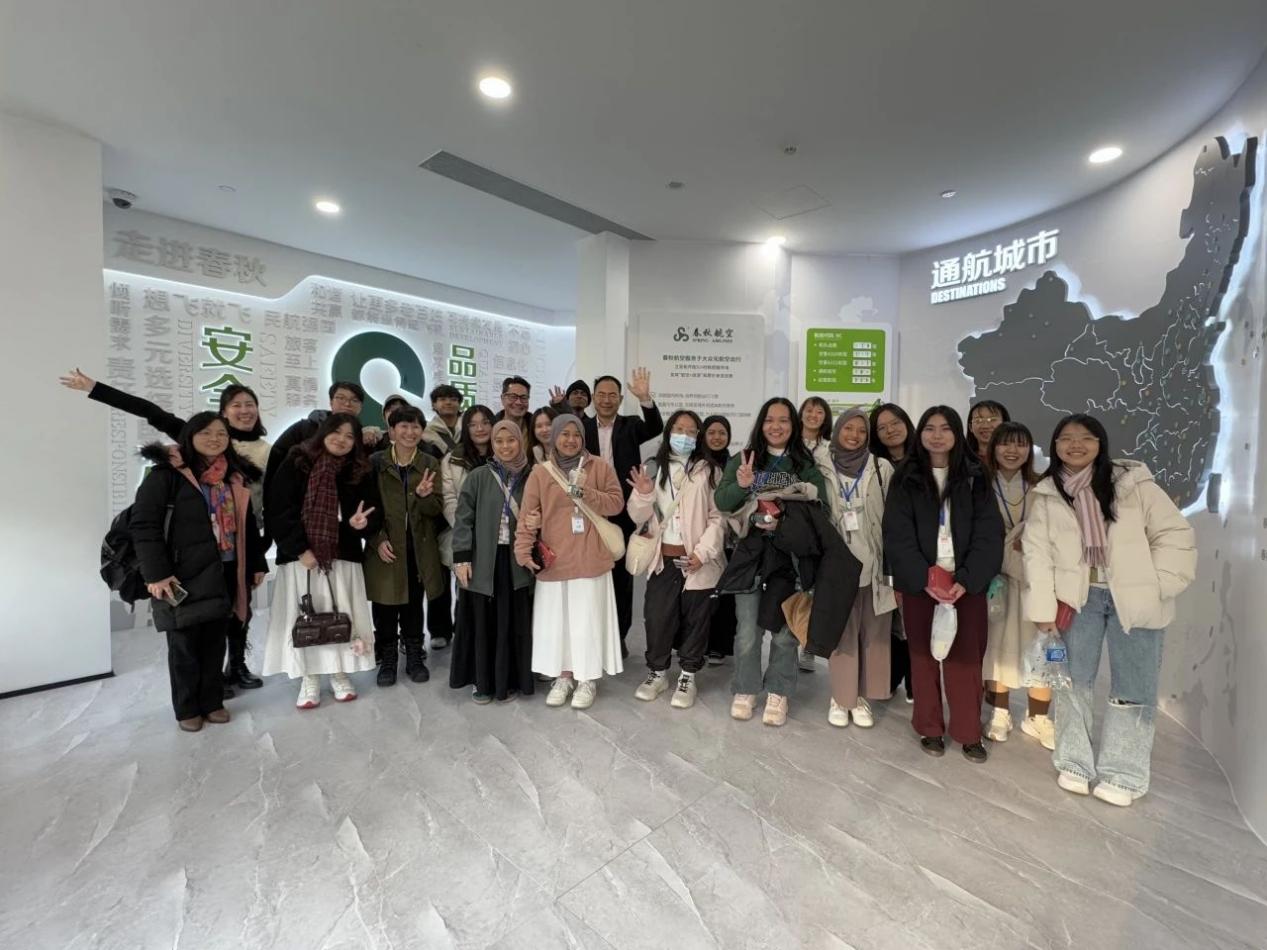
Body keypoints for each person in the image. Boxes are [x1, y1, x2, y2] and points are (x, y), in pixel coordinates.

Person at [60, 368, 270, 694]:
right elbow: (151, 412)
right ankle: (207, 684)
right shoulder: (199, 438)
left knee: (238, 608)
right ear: (222, 413)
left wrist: (259, 555)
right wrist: (95, 388)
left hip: (241, 541)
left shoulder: (265, 449)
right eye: (236, 405)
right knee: (199, 619)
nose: (245, 410)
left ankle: (236, 665)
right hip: (197, 547)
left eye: (250, 404)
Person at [1024, 414, 1195, 805]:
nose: (1076, 445)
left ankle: (1124, 774)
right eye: (1066, 438)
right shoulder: (1048, 493)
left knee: (1134, 687)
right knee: (1072, 682)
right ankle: (1074, 763)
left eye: (1086, 437)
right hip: (1077, 600)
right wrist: (1043, 608)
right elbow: (1037, 554)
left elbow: (1175, 534)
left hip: (1133, 600)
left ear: (1100, 444)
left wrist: (1158, 586)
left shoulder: (1132, 484)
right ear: (1055, 446)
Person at [133, 413, 268, 731]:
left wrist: (256, 564)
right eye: (206, 433)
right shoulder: (167, 475)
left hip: (226, 568)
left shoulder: (232, 476)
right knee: (184, 643)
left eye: (221, 434)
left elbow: (247, 524)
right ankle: (187, 708)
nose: (214, 439)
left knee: (215, 640)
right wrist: (156, 573)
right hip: (182, 572)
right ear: (190, 436)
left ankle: (212, 701)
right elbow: (144, 525)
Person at [883, 406, 1003, 763]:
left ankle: (968, 731)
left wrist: (967, 578)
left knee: (966, 661)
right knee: (922, 658)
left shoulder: (975, 475)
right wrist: (924, 576)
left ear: (956, 434)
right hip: (921, 584)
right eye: (930, 428)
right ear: (920, 433)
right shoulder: (906, 476)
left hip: (965, 583)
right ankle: (930, 727)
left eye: (945, 428)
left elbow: (989, 533)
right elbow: (897, 533)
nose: (937, 436)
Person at [714, 397, 827, 725]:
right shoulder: (744, 459)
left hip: (790, 559)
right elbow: (722, 501)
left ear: (793, 426)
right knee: (747, 630)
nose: (776, 426)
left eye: (783, 420)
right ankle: (745, 687)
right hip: (751, 555)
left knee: (784, 632)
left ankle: (779, 690)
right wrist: (742, 484)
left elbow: (822, 508)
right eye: (769, 420)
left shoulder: (804, 464)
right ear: (760, 424)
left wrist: (786, 524)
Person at [263, 413, 378, 709]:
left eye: (350, 436)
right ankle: (309, 677)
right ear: (323, 432)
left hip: (343, 552)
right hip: (302, 557)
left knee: (340, 615)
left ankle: (339, 673)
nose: (342, 440)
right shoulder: (298, 461)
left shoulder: (359, 469)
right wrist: (300, 549)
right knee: (307, 617)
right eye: (336, 432)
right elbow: (278, 509)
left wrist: (359, 524)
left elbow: (370, 511)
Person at [514, 414, 625, 709]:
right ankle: (563, 677)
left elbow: (616, 503)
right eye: (564, 434)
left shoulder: (599, 466)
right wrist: (523, 550)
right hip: (555, 559)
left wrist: (584, 492)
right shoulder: (540, 473)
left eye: (576, 434)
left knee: (586, 621)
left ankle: (587, 679)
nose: (571, 440)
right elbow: (527, 515)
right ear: (554, 437)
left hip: (590, 558)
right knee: (558, 624)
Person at [627, 410, 725, 709]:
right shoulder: (654, 468)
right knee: (658, 618)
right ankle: (657, 673)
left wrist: (702, 553)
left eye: (691, 431)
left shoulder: (708, 471)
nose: (685, 435)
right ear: (669, 432)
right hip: (663, 560)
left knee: (696, 622)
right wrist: (644, 495)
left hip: (698, 561)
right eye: (679, 429)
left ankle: (687, 676)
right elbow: (638, 517)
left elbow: (718, 517)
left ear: (698, 437)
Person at [820, 409, 896, 729]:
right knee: (843, 634)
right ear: (837, 431)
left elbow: (894, 518)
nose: (854, 435)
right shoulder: (822, 467)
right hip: (838, 566)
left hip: (874, 564)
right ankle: (841, 697)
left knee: (874, 634)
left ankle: (862, 695)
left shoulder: (881, 467)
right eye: (848, 428)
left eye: (861, 431)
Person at [450, 420, 536, 702]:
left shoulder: (533, 476)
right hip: (483, 561)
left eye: (511, 440)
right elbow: (463, 519)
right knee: (484, 623)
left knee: (513, 621)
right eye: (499, 441)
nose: (505, 446)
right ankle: (482, 680)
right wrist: (461, 558)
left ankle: (511, 679)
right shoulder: (478, 476)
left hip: (518, 561)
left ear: (520, 441)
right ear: (492, 444)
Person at [981, 422, 1054, 748]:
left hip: (1037, 580)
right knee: (998, 645)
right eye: (1005, 444)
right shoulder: (981, 485)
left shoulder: (1043, 487)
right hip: (997, 578)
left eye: (1020, 444)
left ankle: (1038, 717)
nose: (1012, 451)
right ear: (993, 448)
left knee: (1043, 646)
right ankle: (1000, 712)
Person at [582, 369, 664, 657]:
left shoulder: (631, 425)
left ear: (619, 398)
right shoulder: (581, 427)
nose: (606, 400)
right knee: (589, 575)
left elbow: (655, 427)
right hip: (588, 511)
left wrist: (645, 398)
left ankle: (618, 638)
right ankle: (591, 637)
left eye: (612, 395)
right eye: (601, 395)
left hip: (622, 511)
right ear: (593, 398)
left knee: (621, 578)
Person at [362, 406, 445, 686]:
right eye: (404, 427)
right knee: (384, 606)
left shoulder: (429, 462)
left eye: (415, 427)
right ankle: (387, 659)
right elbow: (366, 507)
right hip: (385, 547)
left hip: (418, 548)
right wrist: (377, 539)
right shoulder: (375, 462)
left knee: (413, 605)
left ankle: (413, 657)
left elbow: (436, 510)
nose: (410, 432)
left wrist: (424, 496)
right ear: (392, 430)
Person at [869, 401, 917, 703]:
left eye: (895, 423)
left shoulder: (924, 459)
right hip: (884, 550)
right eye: (882, 427)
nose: (890, 430)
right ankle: (893, 674)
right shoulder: (873, 464)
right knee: (891, 618)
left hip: (920, 551)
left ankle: (916, 680)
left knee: (915, 617)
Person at [264, 380, 374, 491]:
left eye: (354, 400)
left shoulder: (364, 437)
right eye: (341, 398)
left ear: (360, 406)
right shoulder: (305, 428)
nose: (347, 404)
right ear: (331, 402)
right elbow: (277, 455)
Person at [797, 396, 835, 672]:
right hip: (792, 519)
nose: (813, 415)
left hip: (821, 519)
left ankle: (807, 646)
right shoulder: (789, 443)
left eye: (819, 411)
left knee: (813, 585)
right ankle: (788, 641)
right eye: (809, 410)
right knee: (793, 583)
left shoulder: (832, 448)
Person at [440, 404, 494, 566]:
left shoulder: (505, 456)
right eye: (473, 424)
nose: (480, 429)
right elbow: (449, 499)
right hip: (465, 535)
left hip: (501, 533)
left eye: (485, 423)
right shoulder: (452, 460)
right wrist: (466, 529)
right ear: (466, 429)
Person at [701, 414, 736, 666]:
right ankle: (696, 642)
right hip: (700, 537)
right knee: (700, 594)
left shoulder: (735, 465)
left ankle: (719, 645)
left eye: (722, 433)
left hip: (730, 539)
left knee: (725, 596)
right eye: (711, 432)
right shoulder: (695, 464)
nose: (717, 437)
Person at [423, 384, 464, 456]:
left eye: (453, 399)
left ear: (459, 404)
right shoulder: (426, 431)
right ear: (434, 405)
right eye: (442, 399)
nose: (448, 403)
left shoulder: (469, 426)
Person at [966, 400, 1011, 464]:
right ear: (970, 427)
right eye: (978, 420)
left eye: (992, 419)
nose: (985, 426)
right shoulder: (961, 459)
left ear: (1005, 424)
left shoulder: (1014, 456)